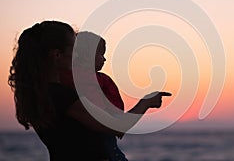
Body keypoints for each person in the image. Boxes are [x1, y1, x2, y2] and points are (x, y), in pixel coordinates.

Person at [8, 21, 171, 161]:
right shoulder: (63, 96)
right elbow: (117, 127)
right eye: (74, 48)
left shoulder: (43, 93)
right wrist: (146, 102)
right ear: (57, 55)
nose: (78, 55)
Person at [60, 31, 127, 160]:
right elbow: (110, 106)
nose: (104, 59)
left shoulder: (66, 76)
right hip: (102, 127)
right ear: (88, 55)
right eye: (101, 54)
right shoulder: (99, 79)